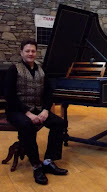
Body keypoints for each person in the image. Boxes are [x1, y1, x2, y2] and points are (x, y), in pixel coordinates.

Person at [4, 39, 68, 185]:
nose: (30, 53)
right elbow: (9, 96)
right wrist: (27, 113)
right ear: (21, 52)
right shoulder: (14, 69)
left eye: (33, 51)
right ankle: (36, 165)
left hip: (38, 108)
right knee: (27, 125)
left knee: (59, 123)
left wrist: (46, 110)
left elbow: (48, 93)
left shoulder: (41, 70)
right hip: (16, 110)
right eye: (27, 51)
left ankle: (48, 161)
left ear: (36, 52)